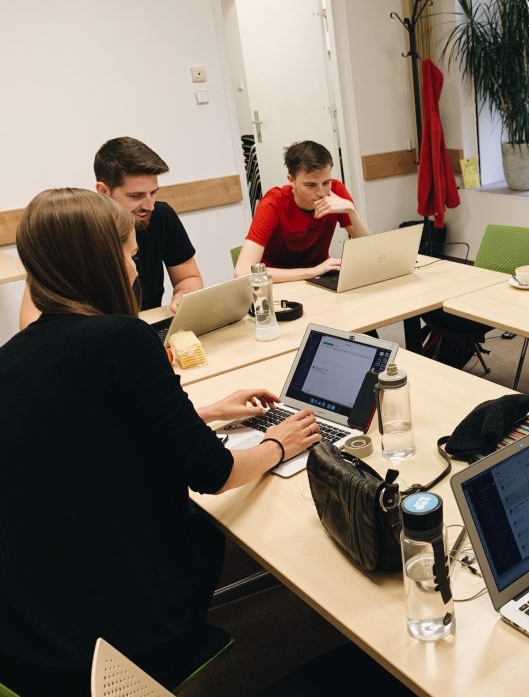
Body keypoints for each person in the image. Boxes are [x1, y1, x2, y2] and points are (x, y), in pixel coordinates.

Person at [0, 189, 321, 696]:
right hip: (115, 630)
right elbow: (215, 474)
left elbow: (92, 424)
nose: (134, 270)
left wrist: (211, 410)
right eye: (130, 255)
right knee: (216, 525)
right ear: (100, 260)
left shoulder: (15, 354)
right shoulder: (122, 340)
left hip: (28, 619)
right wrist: (280, 442)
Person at [234, 140, 370, 281]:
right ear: (291, 180)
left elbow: (370, 249)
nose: (321, 192)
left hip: (320, 278)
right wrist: (312, 271)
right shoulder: (273, 203)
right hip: (278, 282)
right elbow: (242, 272)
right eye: (310, 185)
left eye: (326, 182)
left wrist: (351, 210)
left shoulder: (336, 191)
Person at [95, 136, 204, 311]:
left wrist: (183, 295)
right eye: (136, 196)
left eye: (153, 193)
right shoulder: (81, 230)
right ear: (103, 191)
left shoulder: (161, 216)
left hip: (150, 326)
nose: (149, 205)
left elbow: (188, 277)